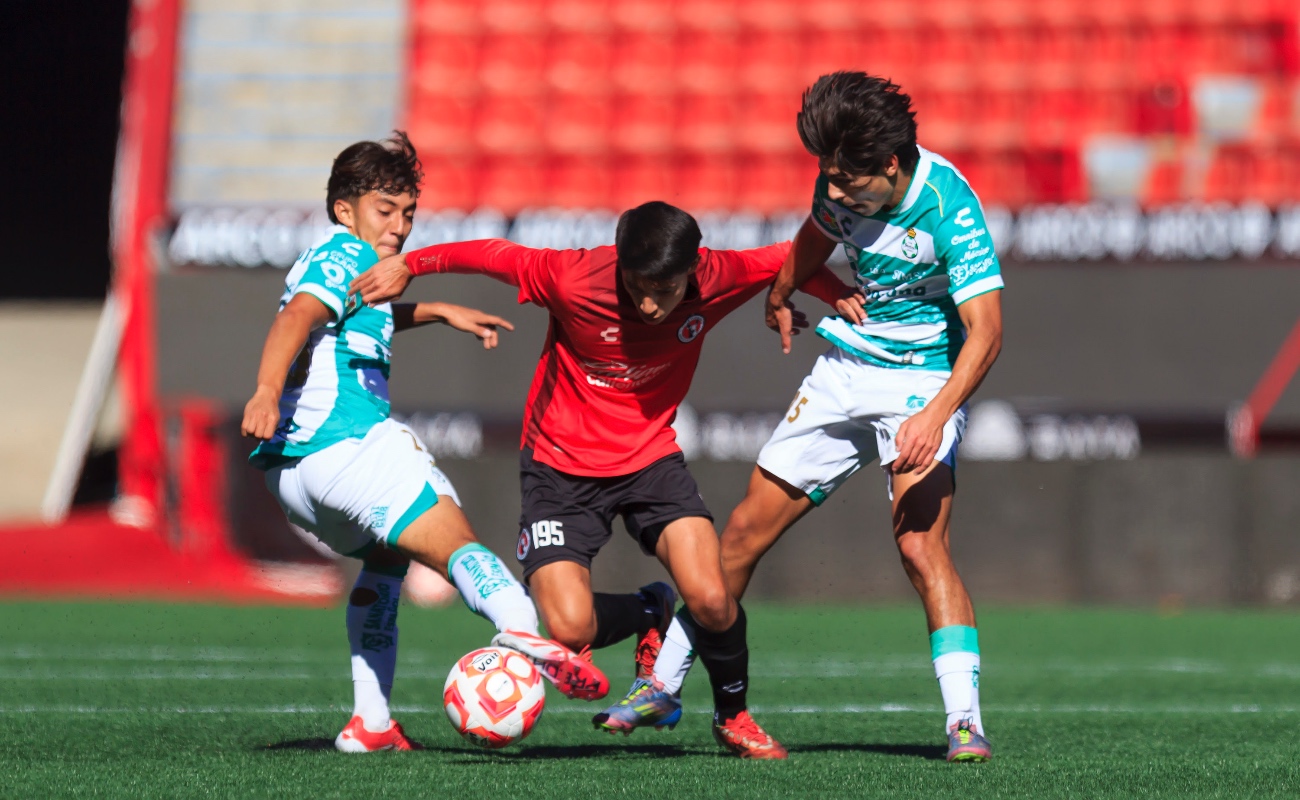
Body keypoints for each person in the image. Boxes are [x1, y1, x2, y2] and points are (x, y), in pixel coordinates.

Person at [349, 201, 850, 759]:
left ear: (694, 267)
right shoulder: (574, 276)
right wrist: (411, 265)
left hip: (651, 460)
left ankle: (733, 715)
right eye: (638, 287)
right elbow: (495, 254)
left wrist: (829, 296)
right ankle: (648, 610)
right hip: (558, 467)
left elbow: (796, 253)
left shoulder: (718, 275)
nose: (650, 303)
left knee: (712, 597)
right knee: (566, 629)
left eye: (664, 287)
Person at [603, 72, 1004, 763]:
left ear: (891, 165)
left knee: (919, 548)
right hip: (846, 372)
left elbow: (988, 330)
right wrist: (783, 289)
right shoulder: (841, 181)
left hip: (924, 385)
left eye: (850, 182)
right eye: (830, 178)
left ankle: (964, 723)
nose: (837, 191)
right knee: (741, 535)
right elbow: (816, 234)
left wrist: (937, 415)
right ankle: (662, 687)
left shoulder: (949, 205)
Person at [241, 132, 607, 754]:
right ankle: (519, 628)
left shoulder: (348, 266)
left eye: (408, 213)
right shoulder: (343, 256)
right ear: (344, 210)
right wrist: (265, 390)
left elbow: (348, 317)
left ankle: (371, 723)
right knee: (457, 544)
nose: (400, 226)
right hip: (349, 446)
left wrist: (437, 310)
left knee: (386, 562)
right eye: (386, 210)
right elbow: (296, 317)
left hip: (293, 478)